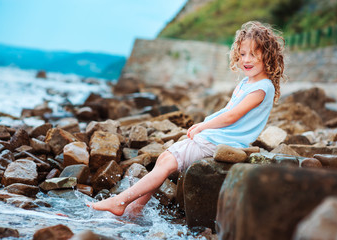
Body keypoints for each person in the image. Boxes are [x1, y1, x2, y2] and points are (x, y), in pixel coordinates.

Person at [89, 21, 286, 216]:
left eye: (253, 54)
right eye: (243, 54)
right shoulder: (246, 82)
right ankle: (134, 210)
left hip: (222, 141)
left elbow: (233, 115)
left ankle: (120, 201)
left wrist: (203, 126)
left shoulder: (263, 87)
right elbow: (227, 111)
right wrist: (205, 126)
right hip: (216, 136)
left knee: (166, 162)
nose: (246, 59)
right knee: (165, 160)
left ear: (267, 55)